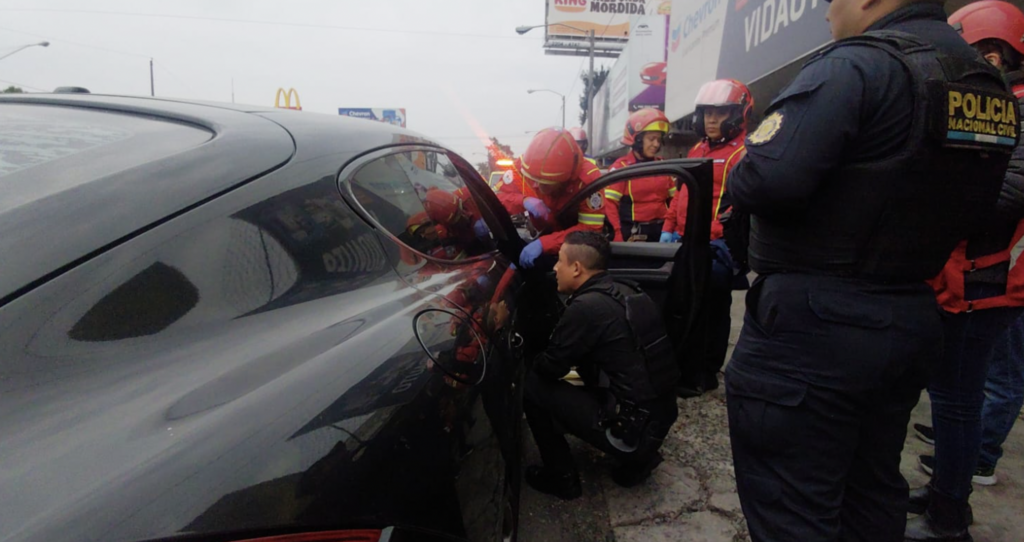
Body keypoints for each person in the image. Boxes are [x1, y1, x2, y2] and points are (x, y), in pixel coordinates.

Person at [722, 0, 1018, 540]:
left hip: (816, 329)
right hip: (910, 313)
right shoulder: (985, 85)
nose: (828, 12)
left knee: (794, 506)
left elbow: (765, 179)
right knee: (872, 492)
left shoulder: (856, 66)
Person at [901, 2, 1024, 540]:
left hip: (984, 281)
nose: (979, 64)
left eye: (990, 53)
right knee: (952, 397)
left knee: (958, 401)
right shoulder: (985, 105)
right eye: (972, 54)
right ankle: (947, 493)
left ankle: (950, 518)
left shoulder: (1016, 109)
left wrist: (929, 201)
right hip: (961, 276)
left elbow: (1005, 197)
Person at [522, 231, 679, 499]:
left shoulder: (586, 307)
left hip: (633, 431)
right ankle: (639, 460)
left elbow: (550, 367)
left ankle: (562, 478)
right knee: (581, 375)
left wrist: (527, 351)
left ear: (576, 268)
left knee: (534, 385)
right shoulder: (627, 289)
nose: (554, 268)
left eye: (559, 261)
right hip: (658, 418)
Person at [665, 79, 753, 397]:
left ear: (737, 114)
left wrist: (713, 240)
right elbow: (680, 195)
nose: (711, 119)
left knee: (711, 304)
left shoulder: (746, 153)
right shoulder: (696, 150)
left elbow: (739, 211)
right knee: (683, 301)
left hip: (718, 245)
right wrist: (670, 228)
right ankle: (684, 363)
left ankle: (705, 371)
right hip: (688, 240)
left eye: (720, 112)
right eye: (707, 113)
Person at [495, 127, 604, 268]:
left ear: (566, 179)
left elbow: (591, 230)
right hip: (540, 233)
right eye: (534, 180)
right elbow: (496, 197)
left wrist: (545, 244)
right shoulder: (525, 165)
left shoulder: (588, 178)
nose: (538, 187)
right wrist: (523, 201)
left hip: (574, 248)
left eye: (546, 184)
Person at [604, 108, 677, 242]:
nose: (656, 144)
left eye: (659, 140)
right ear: (637, 139)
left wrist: (673, 228)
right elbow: (609, 205)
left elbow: (675, 201)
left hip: (663, 233)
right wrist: (617, 234)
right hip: (635, 236)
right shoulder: (621, 168)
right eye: (651, 139)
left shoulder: (663, 166)